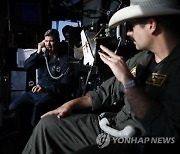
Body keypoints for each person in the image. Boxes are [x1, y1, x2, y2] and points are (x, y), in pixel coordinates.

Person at [22, 0, 180, 153]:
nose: (130, 33)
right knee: (47, 124)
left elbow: (167, 132)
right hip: (114, 124)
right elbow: (106, 92)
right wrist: (70, 104)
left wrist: (128, 82)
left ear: (152, 25)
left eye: (132, 27)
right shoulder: (142, 58)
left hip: (137, 140)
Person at [9, 29, 73, 127]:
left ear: (58, 41)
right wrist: (38, 51)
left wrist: (46, 89)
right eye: (46, 41)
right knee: (12, 107)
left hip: (51, 93)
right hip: (37, 92)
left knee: (37, 109)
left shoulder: (65, 60)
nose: (48, 44)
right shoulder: (43, 57)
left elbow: (66, 84)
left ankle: (35, 133)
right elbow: (27, 66)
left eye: (51, 41)